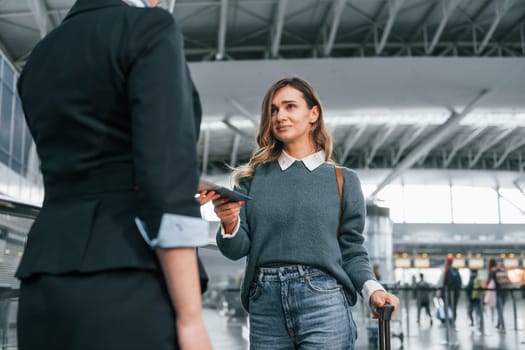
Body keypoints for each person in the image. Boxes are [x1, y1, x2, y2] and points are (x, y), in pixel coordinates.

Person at [15, 1, 211, 349]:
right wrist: (191, 317)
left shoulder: (40, 56)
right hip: (126, 277)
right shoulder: (149, 29)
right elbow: (166, 181)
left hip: (42, 280)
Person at [198, 76, 400, 349]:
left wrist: (373, 289)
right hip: (265, 306)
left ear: (313, 114)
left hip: (324, 302)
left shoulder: (343, 180)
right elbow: (236, 250)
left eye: (290, 106)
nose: (280, 115)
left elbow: (352, 250)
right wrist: (229, 220)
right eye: (273, 109)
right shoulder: (251, 180)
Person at [438, 255, 462, 325]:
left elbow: (442, 281)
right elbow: (460, 282)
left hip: (447, 292)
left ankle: (447, 320)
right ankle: (453, 320)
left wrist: (439, 290)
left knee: (447, 307)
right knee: (454, 307)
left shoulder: (446, 269)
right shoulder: (455, 270)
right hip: (455, 293)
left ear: (446, 261)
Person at [486, 258, 508, 331]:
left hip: (497, 292)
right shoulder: (501, 270)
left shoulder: (491, 272)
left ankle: (502, 325)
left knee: (499, 309)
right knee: (501, 309)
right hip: (504, 291)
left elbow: (488, 281)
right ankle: (499, 323)